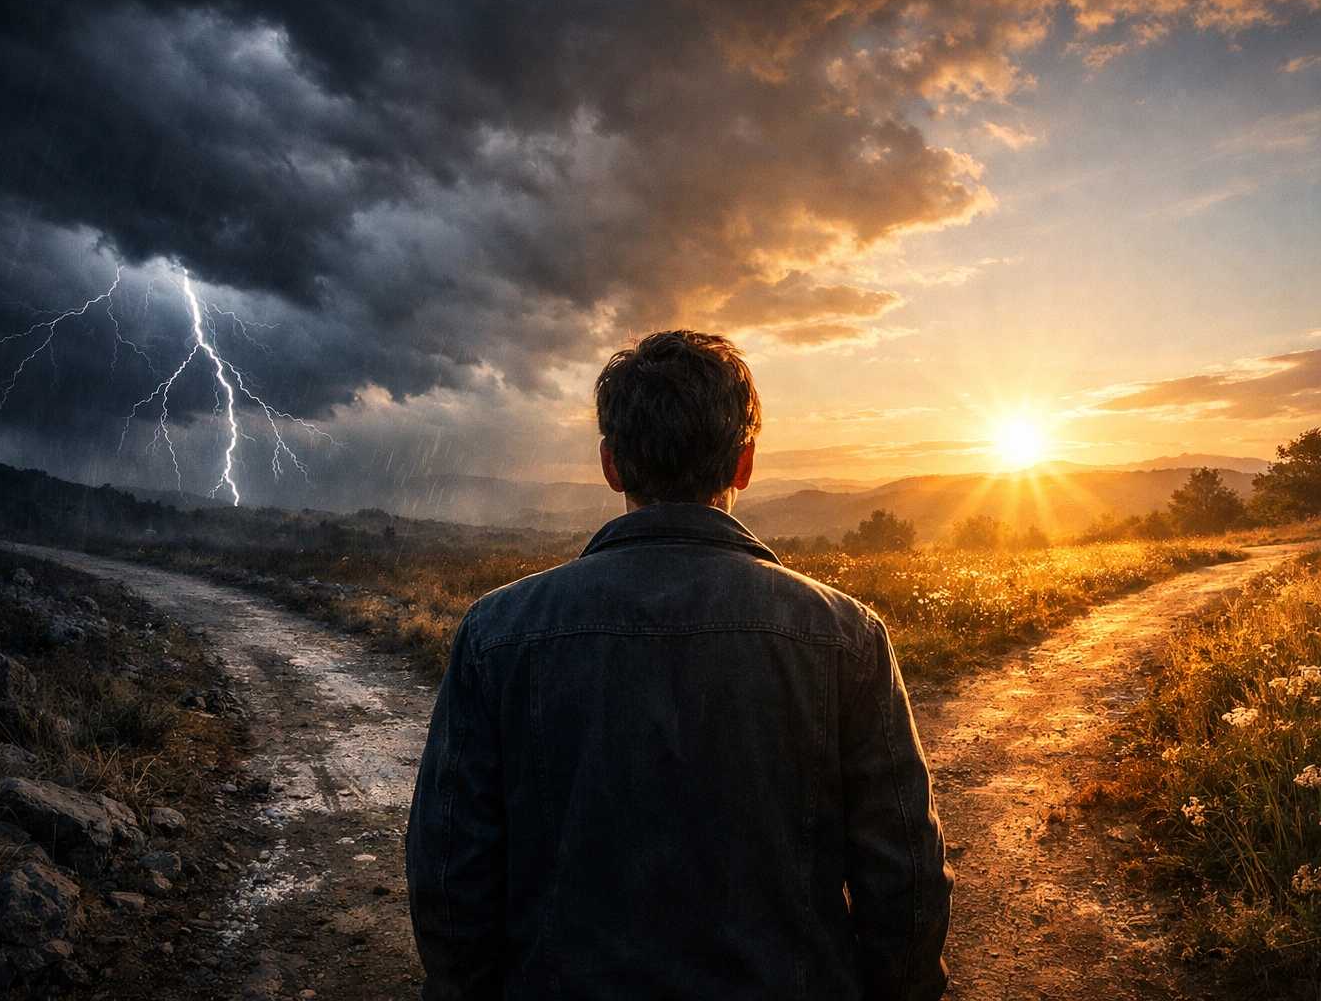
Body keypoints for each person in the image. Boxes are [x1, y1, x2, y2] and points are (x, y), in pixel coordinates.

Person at [406, 330, 952, 1000]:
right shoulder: (847, 637)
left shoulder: (496, 634)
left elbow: (449, 875)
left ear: (611, 465)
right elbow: (905, 878)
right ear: (744, 463)